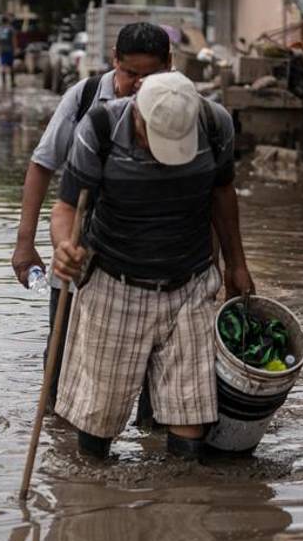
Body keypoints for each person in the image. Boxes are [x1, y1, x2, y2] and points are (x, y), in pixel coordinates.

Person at [49, 71, 254, 460]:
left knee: (190, 409)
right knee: (99, 414)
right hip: (115, 282)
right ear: (137, 113)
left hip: (191, 282)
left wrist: (236, 264)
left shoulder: (214, 124)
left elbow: (223, 194)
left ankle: (179, 505)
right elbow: (66, 208)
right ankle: (90, 500)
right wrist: (64, 248)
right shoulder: (100, 128)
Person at [12, 22, 173, 412]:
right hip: (80, 249)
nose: (138, 85)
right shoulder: (84, 99)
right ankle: (63, 442)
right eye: (130, 73)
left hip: (152, 259)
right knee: (63, 359)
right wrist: (25, 242)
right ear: (113, 61)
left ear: (169, 66)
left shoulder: (182, 107)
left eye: (150, 75)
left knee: (157, 372)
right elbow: (42, 164)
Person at [0, 16, 17, 90]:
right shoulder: (11, 29)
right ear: (7, 21)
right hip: (10, 50)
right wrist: (15, 49)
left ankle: (4, 83)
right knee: (11, 66)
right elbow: (13, 40)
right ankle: (12, 82)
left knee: (3, 66)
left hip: (2, 50)